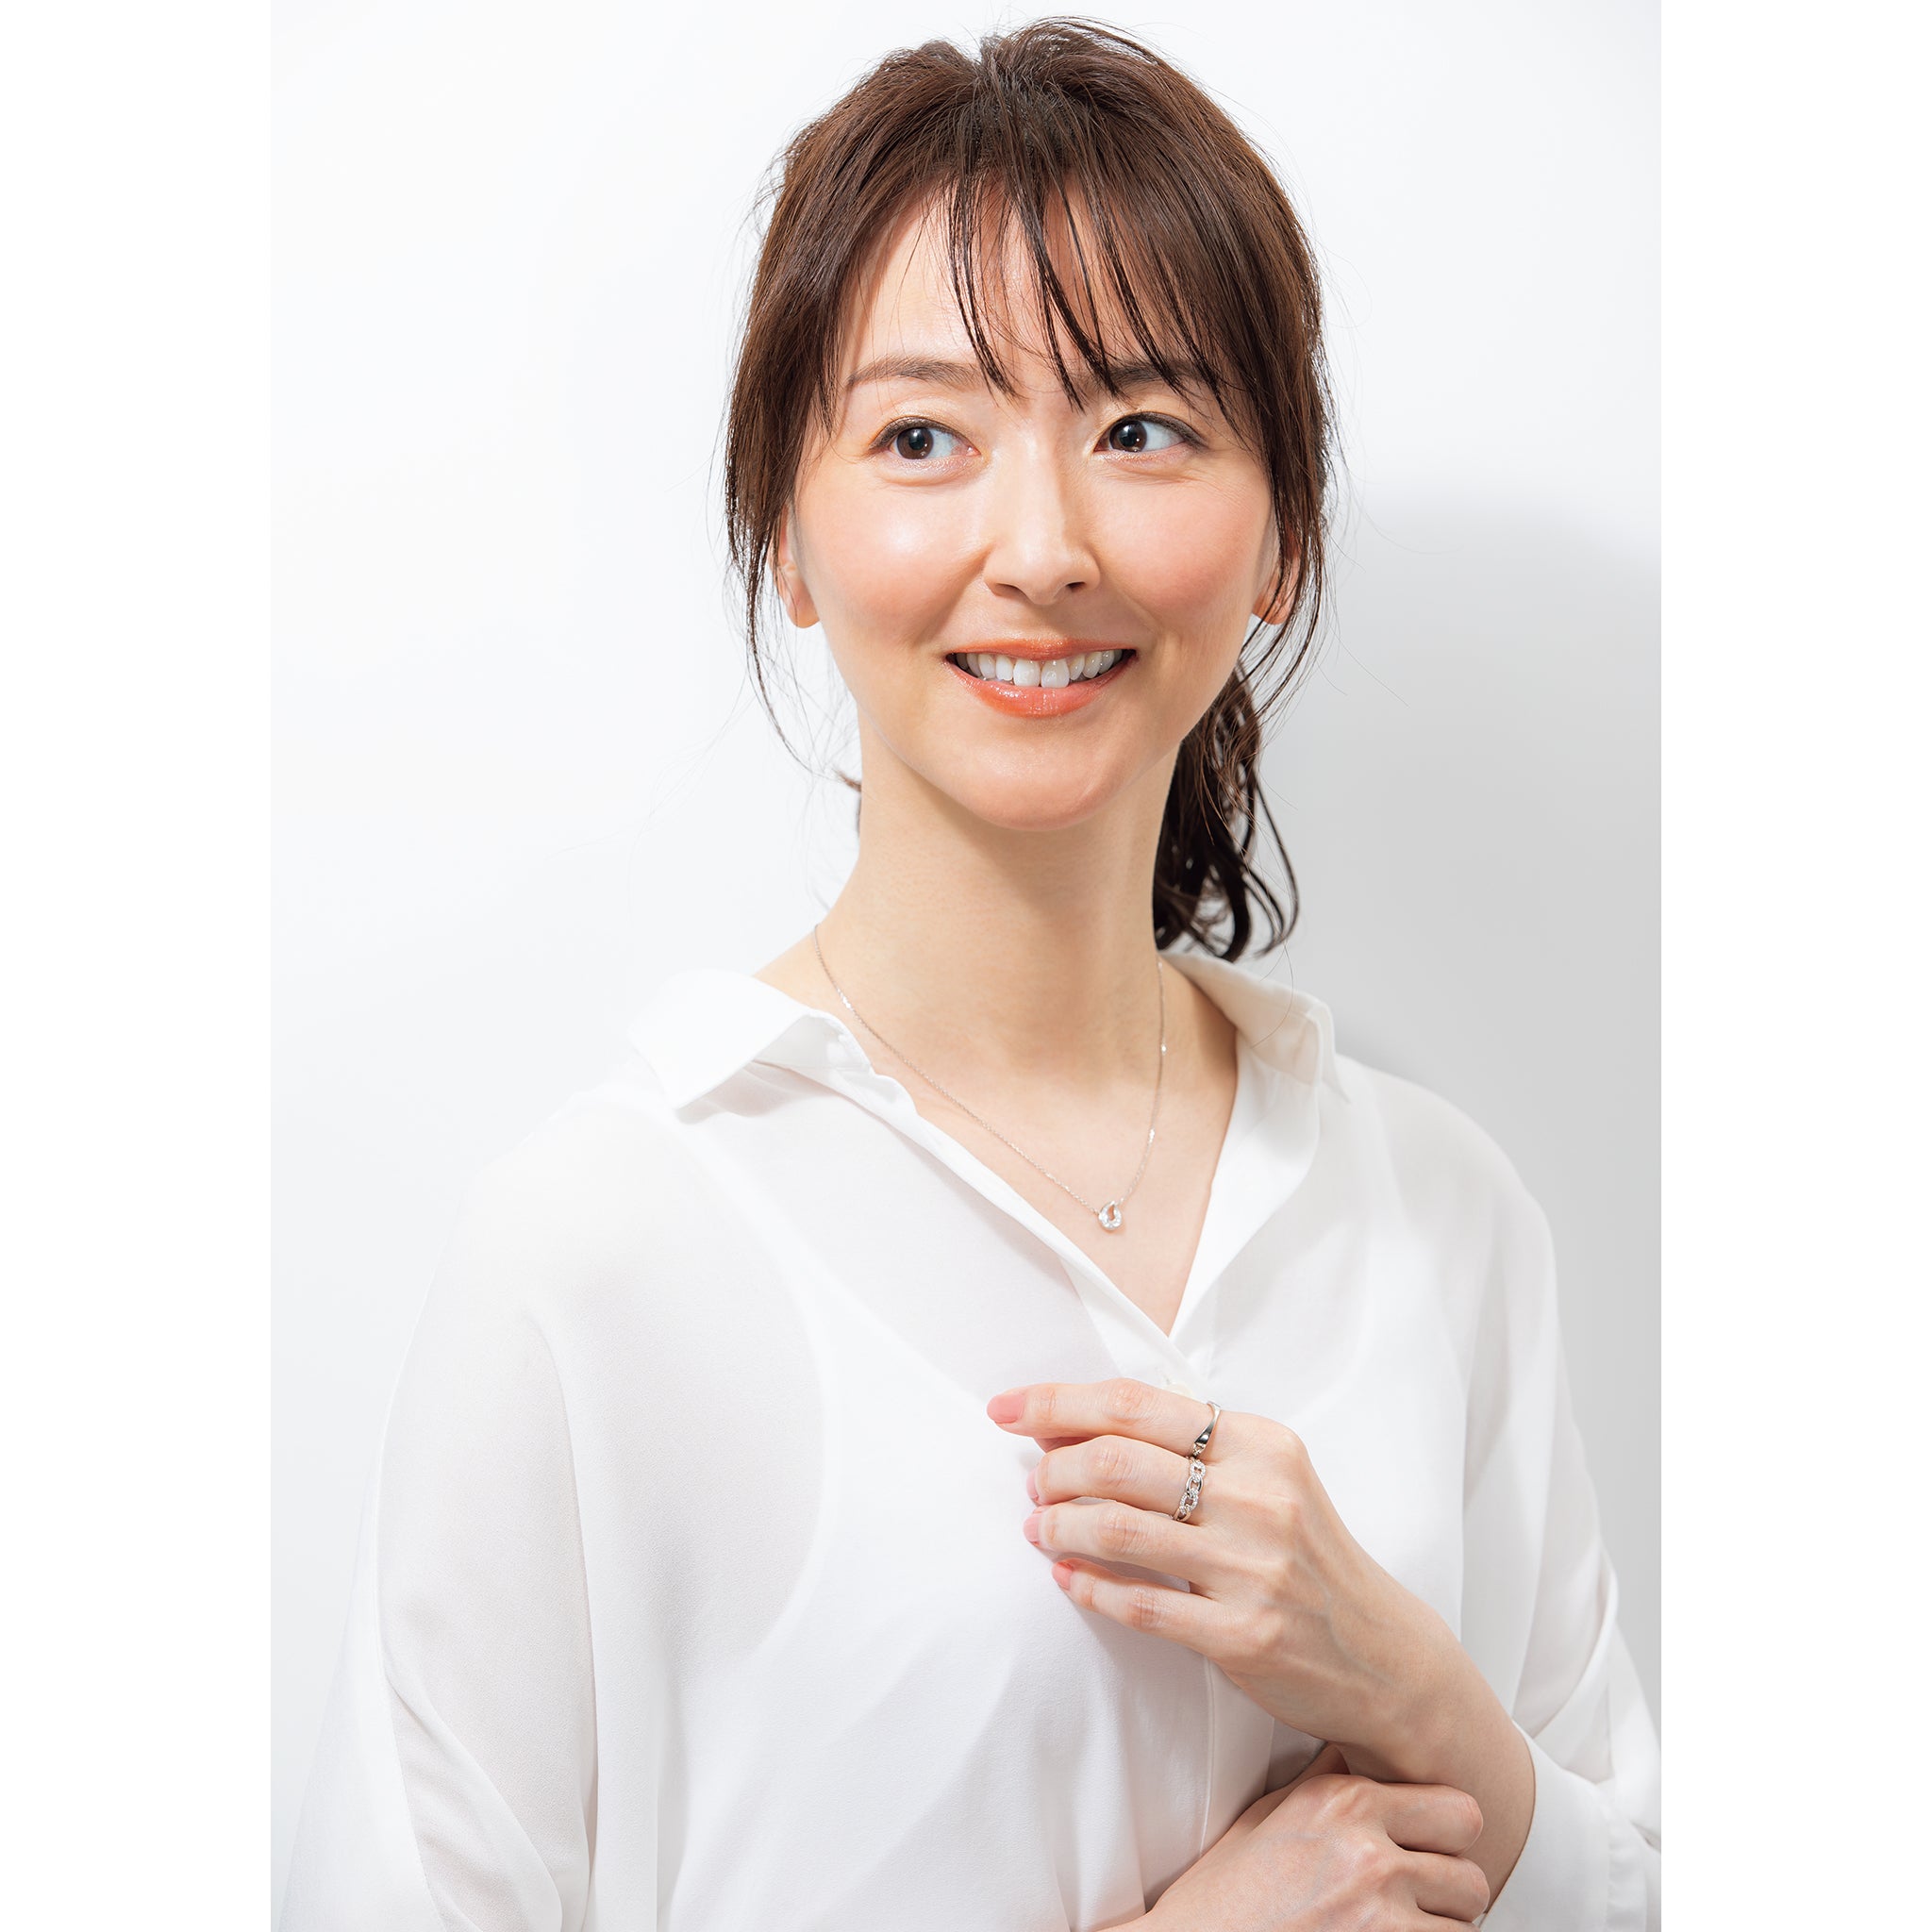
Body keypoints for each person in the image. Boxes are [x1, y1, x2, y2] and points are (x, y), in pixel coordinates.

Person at [283, 21, 1660, 1930]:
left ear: (1280, 532)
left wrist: (1431, 1709)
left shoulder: (1439, 1211)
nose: (1043, 547)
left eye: (1142, 428)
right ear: (786, 534)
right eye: (922, 435)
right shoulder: (596, 1256)